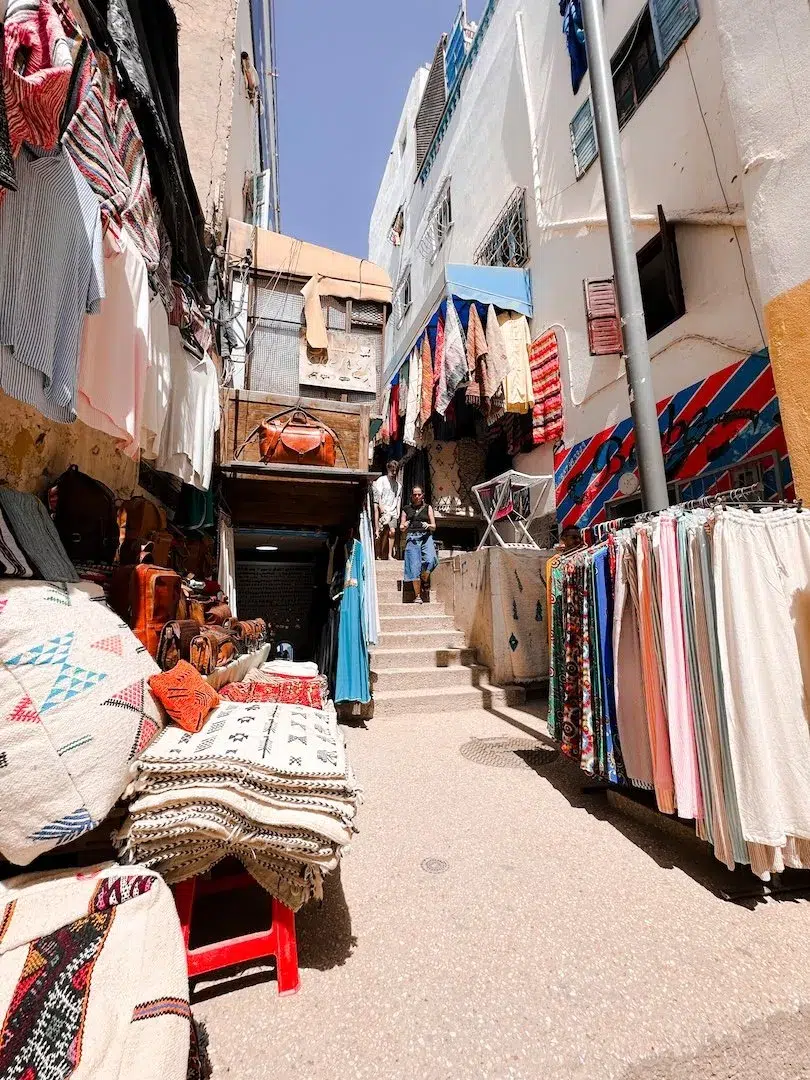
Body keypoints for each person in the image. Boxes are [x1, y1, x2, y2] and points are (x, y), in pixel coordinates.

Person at [400, 486, 438, 604]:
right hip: (412, 537)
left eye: (419, 494)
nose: (417, 497)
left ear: (422, 495)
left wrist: (428, 525)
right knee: (414, 566)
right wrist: (405, 525)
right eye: (414, 494)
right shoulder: (406, 509)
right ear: (412, 496)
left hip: (426, 536)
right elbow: (401, 527)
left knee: (431, 559)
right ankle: (417, 596)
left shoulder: (428, 507)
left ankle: (424, 576)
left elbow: (434, 526)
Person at [372, 459, 402, 561]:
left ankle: (389, 555)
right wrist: (381, 508)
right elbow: (379, 496)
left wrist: (397, 511)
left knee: (392, 531)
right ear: (388, 468)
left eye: (395, 471)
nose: (394, 473)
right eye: (392, 470)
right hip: (384, 509)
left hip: (392, 511)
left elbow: (397, 498)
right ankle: (378, 553)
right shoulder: (382, 480)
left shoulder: (398, 485)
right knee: (380, 532)